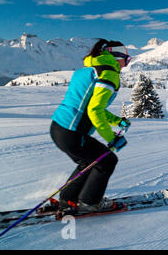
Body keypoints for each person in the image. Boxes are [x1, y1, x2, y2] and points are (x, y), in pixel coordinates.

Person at [48, 39, 132, 213]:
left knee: (87, 162)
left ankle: (68, 200)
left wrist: (116, 121)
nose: (127, 63)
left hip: (58, 128)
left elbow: (90, 107)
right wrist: (112, 138)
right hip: (72, 132)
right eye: (127, 59)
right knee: (107, 160)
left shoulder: (89, 70)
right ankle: (90, 202)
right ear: (117, 57)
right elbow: (94, 110)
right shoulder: (109, 74)